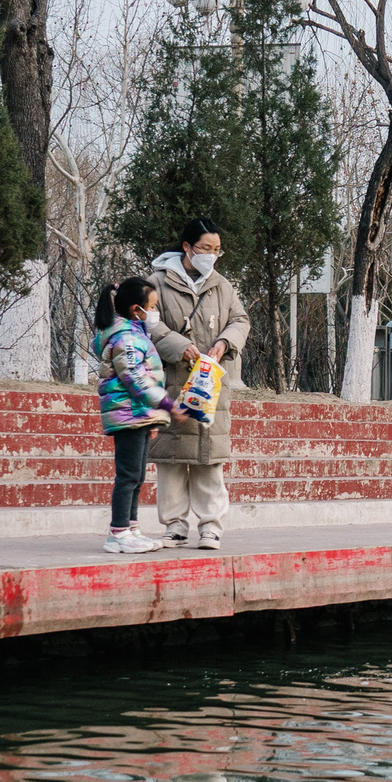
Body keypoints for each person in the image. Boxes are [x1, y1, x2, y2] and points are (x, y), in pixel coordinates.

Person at [147, 220, 250, 551]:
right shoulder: (157, 283)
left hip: (210, 385)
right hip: (173, 381)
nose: (212, 255)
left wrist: (224, 342)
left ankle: (210, 525)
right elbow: (148, 322)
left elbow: (240, 320)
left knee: (209, 457)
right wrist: (178, 345)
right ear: (187, 247)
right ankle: (175, 525)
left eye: (217, 250)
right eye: (206, 248)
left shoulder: (222, 286)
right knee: (171, 458)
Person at [94, 276, 178, 553]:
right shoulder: (127, 338)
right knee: (128, 476)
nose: (155, 312)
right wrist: (166, 404)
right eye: (152, 306)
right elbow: (134, 379)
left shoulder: (136, 335)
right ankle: (118, 532)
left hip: (137, 416)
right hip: (126, 416)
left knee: (137, 476)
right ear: (135, 309)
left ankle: (130, 528)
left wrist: (152, 417)